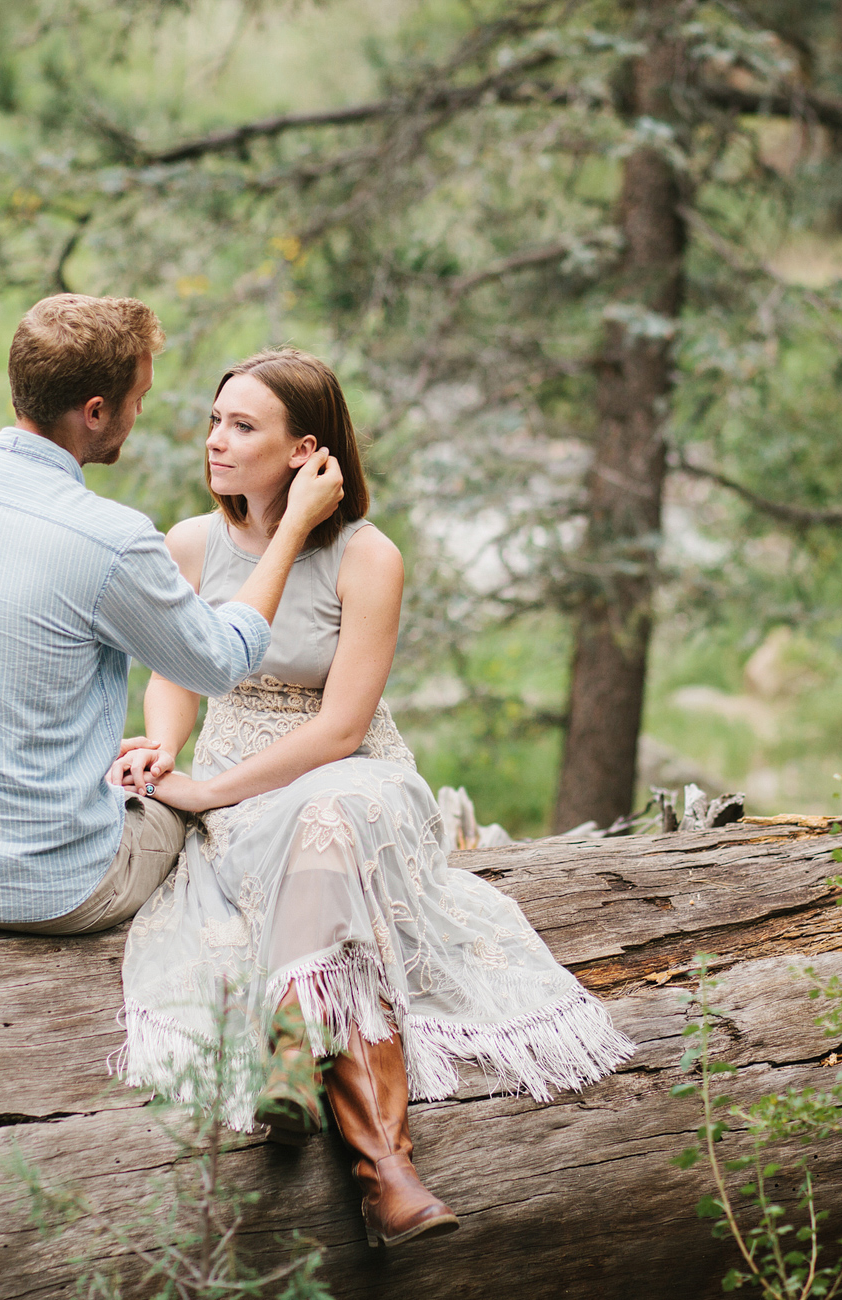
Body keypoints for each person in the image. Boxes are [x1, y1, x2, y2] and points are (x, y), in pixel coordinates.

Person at [112, 349, 633, 1249]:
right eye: (213, 419)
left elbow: (341, 730)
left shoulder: (368, 555)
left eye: (243, 426)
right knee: (318, 855)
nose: (214, 441)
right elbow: (177, 678)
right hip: (235, 784)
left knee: (330, 818)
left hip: (349, 777)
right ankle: (385, 1171)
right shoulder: (191, 544)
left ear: (306, 450)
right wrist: (164, 746)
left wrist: (209, 789)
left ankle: (295, 1063)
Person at [0, 294, 344, 934]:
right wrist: (295, 526)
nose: (141, 413)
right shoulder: (112, 539)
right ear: (95, 412)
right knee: (190, 820)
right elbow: (221, 661)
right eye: (138, 399)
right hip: (48, 891)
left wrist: (73, 752)